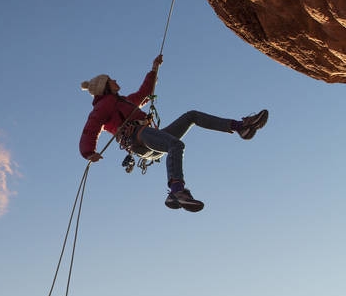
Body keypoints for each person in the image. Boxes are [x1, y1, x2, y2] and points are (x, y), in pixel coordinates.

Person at [79, 54, 268, 212]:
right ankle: (177, 191)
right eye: (111, 80)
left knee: (191, 116)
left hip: (148, 140)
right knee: (176, 144)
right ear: (105, 85)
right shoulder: (104, 105)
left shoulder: (125, 101)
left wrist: (154, 69)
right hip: (138, 137)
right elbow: (91, 126)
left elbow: (145, 92)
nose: (115, 81)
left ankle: (240, 127)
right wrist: (89, 151)